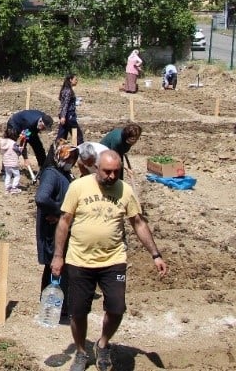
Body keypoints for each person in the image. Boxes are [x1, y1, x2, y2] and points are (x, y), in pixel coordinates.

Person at [53, 152, 168, 371]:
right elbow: (64, 222)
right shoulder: (78, 187)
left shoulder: (125, 190)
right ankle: (81, 351)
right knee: (77, 311)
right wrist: (58, 256)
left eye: (116, 171)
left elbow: (138, 222)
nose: (112, 176)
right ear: (96, 168)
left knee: (116, 308)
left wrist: (155, 254)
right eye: (107, 171)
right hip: (79, 259)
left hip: (113, 259)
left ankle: (103, 344)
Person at [35, 144, 78, 310]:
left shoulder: (64, 174)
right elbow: (41, 198)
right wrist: (61, 211)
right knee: (56, 265)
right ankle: (55, 308)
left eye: (73, 159)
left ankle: (54, 306)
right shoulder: (52, 175)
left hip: (60, 227)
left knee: (56, 266)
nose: (71, 162)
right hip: (52, 231)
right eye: (68, 158)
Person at [56, 74, 83, 146]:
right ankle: (81, 153)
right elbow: (65, 104)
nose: (77, 81)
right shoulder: (68, 91)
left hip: (66, 115)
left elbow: (66, 103)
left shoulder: (65, 89)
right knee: (78, 136)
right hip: (69, 115)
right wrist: (63, 116)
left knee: (61, 136)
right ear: (70, 80)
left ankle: (55, 152)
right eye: (75, 79)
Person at [0, 125, 24, 194]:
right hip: (13, 163)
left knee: (8, 175)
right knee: (17, 175)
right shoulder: (13, 143)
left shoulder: (3, 143)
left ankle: (7, 188)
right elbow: (18, 152)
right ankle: (14, 188)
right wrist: (21, 147)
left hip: (6, 163)